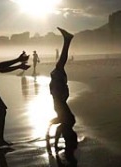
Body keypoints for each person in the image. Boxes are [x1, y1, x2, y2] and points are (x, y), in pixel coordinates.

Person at [48, 27, 77, 160]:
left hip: (58, 94)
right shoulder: (69, 123)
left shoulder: (68, 123)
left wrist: (53, 145)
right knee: (60, 64)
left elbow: (60, 128)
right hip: (58, 93)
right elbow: (60, 127)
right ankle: (67, 40)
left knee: (60, 65)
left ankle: (67, 40)